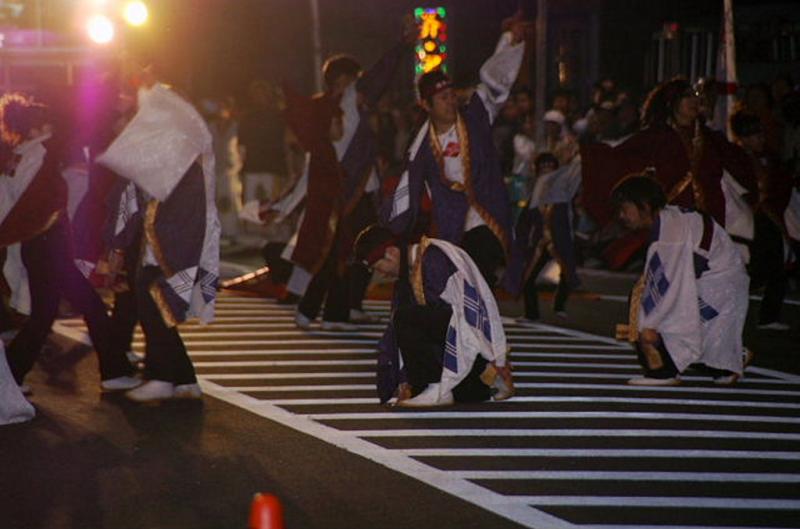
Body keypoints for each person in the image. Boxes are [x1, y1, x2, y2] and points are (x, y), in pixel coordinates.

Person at [0, 93, 138, 393]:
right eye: (44, 124)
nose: (50, 127)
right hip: (49, 243)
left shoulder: (18, 157)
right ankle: (113, 371)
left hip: (37, 245)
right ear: (34, 129)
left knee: (44, 315)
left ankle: (11, 378)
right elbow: (43, 204)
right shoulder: (41, 155)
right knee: (89, 306)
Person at [97, 71, 220, 402]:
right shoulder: (176, 146)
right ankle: (183, 378)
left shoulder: (174, 148)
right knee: (158, 305)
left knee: (153, 302)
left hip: (172, 242)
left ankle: (163, 376)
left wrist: (115, 242)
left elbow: (131, 198)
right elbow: (130, 197)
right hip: (166, 241)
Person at [384, 13, 529, 289]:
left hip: (486, 211)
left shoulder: (475, 117)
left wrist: (509, 39)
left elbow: (494, 82)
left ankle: (477, 323)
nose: (450, 101)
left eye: (451, 95)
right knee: (455, 284)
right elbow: (409, 186)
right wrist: (391, 227)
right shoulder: (421, 146)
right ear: (426, 105)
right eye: (442, 98)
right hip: (450, 221)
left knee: (480, 268)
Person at [611, 174, 751, 386]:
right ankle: (730, 359)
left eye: (625, 208)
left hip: (716, 286)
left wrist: (645, 329)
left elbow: (669, 289)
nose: (621, 215)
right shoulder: (671, 219)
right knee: (698, 341)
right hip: (723, 285)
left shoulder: (669, 235)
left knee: (645, 306)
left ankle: (661, 372)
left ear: (645, 205)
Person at [354, 225, 514, 407]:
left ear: (391, 252)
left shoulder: (433, 258)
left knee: (407, 317)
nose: (380, 274)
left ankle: (438, 387)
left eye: (378, 267)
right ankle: (458, 384)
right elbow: (398, 335)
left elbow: (466, 317)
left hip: (470, 343)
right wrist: (404, 381)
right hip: (461, 347)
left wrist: (494, 359)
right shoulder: (411, 270)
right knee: (466, 395)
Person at [731, 111, 794, 330]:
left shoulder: (768, 157)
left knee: (778, 264)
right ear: (743, 137)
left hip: (767, 216)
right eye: (754, 135)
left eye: (760, 134)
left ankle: (768, 315)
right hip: (747, 218)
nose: (760, 139)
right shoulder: (736, 158)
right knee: (754, 267)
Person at [506, 153, 581, 321]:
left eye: (550, 166)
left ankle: (559, 304)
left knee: (567, 273)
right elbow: (524, 221)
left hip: (560, 241)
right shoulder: (536, 194)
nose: (547, 170)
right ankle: (531, 314)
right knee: (529, 277)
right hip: (541, 242)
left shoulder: (565, 191)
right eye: (543, 167)